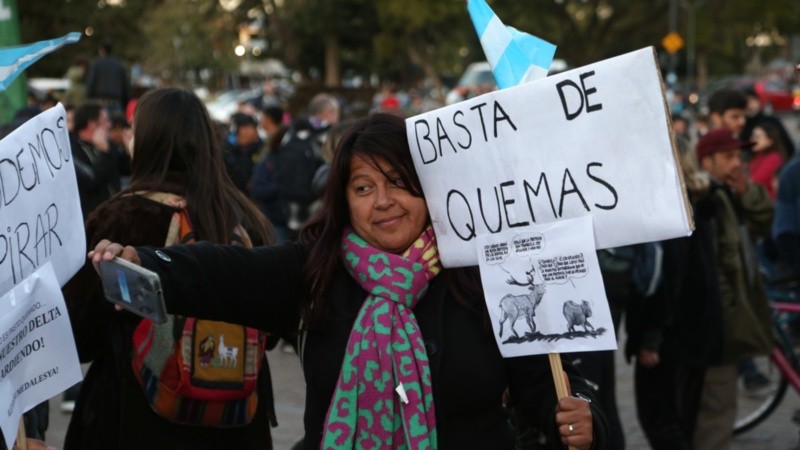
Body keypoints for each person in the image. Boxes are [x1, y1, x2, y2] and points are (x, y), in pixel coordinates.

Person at [88, 113, 608, 450]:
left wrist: (584, 419)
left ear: (431, 190)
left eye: (400, 183)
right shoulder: (314, 272)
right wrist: (145, 258)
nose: (383, 201)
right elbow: (222, 272)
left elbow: (546, 385)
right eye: (364, 187)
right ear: (344, 198)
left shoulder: (480, 273)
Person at [62, 88, 275, 450]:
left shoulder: (120, 218)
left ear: (147, 141)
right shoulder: (244, 220)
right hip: (235, 419)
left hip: (136, 414)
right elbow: (274, 324)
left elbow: (79, 335)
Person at [625, 150, 723, 449]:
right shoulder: (697, 200)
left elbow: (670, 279)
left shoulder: (669, 209)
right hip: (696, 331)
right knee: (682, 420)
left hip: (671, 337)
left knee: (663, 423)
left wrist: (651, 338)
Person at [692, 127, 774, 450]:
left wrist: (746, 193)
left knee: (719, 412)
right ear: (706, 160)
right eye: (728, 157)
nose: (737, 163)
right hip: (719, 329)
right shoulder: (706, 199)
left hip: (729, 325)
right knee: (716, 415)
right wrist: (722, 324)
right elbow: (714, 272)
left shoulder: (730, 192)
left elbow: (761, 223)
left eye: (739, 156)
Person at [85, 41, 130, 114]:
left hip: (99, 102)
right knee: (116, 124)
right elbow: (125, 85)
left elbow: (90, 83)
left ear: (101, 50)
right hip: (116, 102)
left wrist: (89, 100)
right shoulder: (119, 65)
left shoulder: (96, 64)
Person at [748, 122, 788, 200]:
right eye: (752, 136)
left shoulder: (774, 158)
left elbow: (757, 181)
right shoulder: (756, 157)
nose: (752, 140)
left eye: (757, 137)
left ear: (770, 140)